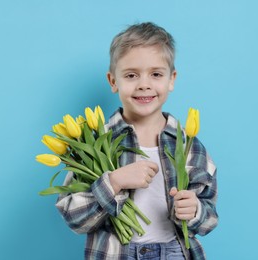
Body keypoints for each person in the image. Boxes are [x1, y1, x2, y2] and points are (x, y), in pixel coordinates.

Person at [56, 22, 218, 260]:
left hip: (174, 252)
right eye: (131, 75)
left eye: (156, 74)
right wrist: (113, 182)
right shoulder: (93, 144)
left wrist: (195, 210)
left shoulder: (190, 146)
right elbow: (73, 217)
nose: (144, 84)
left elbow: (210, 219)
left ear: (171, 79)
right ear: (113, 82)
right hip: (115, 254)